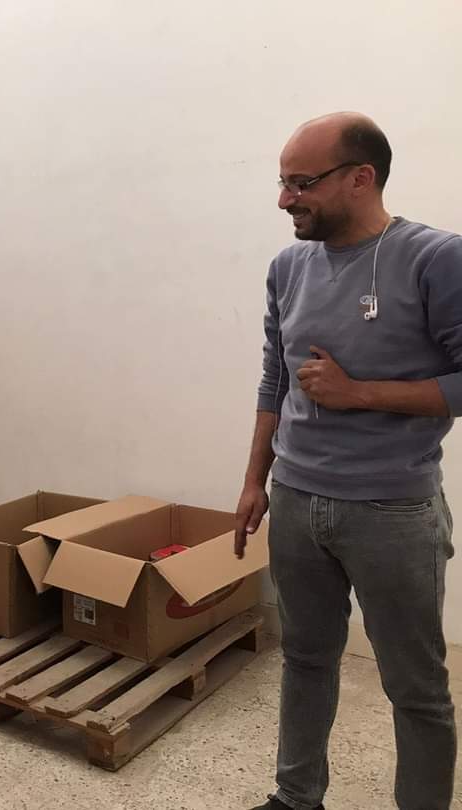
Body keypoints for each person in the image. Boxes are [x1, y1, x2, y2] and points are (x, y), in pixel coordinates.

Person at [235, 113, 460, 810]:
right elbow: (275, 377)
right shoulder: (288, 267)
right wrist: (255, 480)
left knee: (415, 687)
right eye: (282, 182)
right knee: (305, 659)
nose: (286, 199)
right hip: (296, 501)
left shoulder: (434, 258)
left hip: (393, 510)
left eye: (302, 183)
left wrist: (359, 392)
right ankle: (295, 796)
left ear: (361, 177)